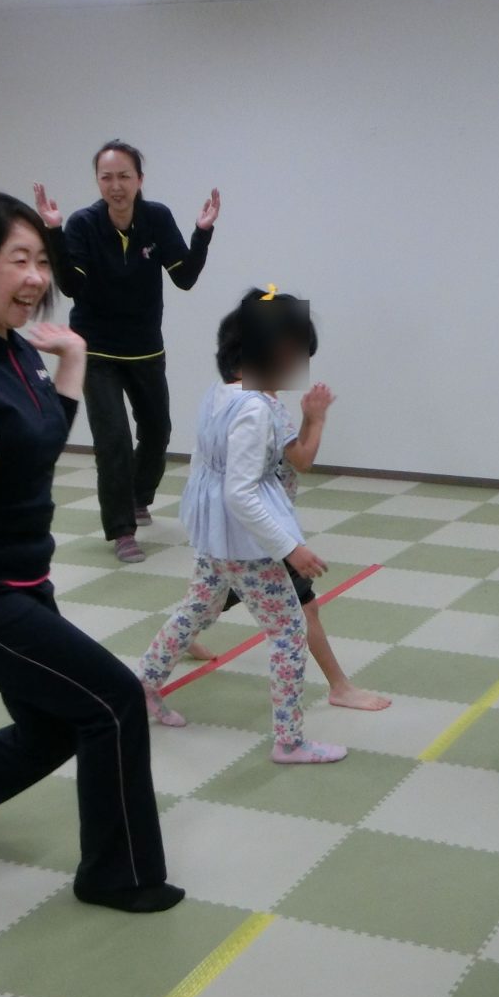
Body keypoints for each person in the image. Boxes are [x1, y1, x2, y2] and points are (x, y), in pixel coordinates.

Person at [0, 190, 183, 913]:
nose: (34, 278)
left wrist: (74, 357)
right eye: (17, 259)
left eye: (41, 262)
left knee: (57, 724)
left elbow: (43, 438)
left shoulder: (15, 350)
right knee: (112, 700)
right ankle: (119, 875)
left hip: (20, 577)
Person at [140, 290, 348, 763]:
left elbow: (213, 469)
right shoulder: (256, 409)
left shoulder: (225, 393)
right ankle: (290, 740)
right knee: (290, 633)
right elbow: (242, 491)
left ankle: (144, 685)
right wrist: (290, 547)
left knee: (198, 609)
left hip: (215, 534)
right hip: (245, 541)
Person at [34, 141, 220, 563]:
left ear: (139, 180)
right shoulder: (83, 223)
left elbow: (185, 277)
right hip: (95, 349)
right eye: (106, 177)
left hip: (145, 348)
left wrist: (202, 233)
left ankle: (139, 496)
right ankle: (122, 529)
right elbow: (71, 286)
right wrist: (53, 232)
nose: (115, 186)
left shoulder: (156, 218)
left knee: (158, 430)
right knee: (112, 438)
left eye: (123, 176)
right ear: (98, 182)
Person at [184, 380, 392, 713]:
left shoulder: (223, 396)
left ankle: (179, 642)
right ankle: (340, 687)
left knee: (208, 597)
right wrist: (316, 418)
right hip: (261, 531)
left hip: (227, 526)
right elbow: (303, 459)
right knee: (303, 607)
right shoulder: (264, 408)